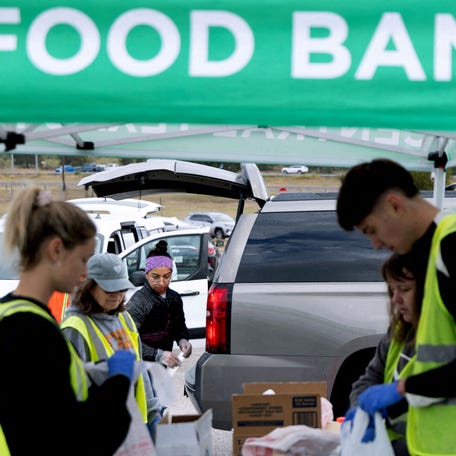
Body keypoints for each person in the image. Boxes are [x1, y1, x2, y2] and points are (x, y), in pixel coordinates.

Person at [0, 187, 135, 456]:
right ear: (56, 250)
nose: (86, 272)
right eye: (83, 259)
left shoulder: (11, 313)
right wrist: (118, 384)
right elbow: (74, 438)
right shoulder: (33, 331)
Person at [337, 158, 456, 456]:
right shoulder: (428, 257)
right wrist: (397, 403)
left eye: (371, 230)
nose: (375, 244)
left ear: (394, 205)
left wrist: (401, 389)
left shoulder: (450, 247)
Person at [61, 253, 162, 438]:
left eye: (122, 288)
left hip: (135, 428)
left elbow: (140, 371)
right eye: (109, 289)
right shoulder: (74, 329)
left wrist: (153, 413)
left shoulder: (124, 318)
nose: (117, 295)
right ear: (90, 287)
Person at [348, 253, 420, 455]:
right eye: (393, 290)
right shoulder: (398, 333)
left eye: (404, 290)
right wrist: (360, 411)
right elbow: (368, 380)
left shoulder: (443, 339)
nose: (396, 299)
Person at [128, 240, 192, 368]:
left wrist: (182, 340)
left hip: (162, 367)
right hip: (140, 366)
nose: (162, 282)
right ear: (147, 275)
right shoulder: (139, 302)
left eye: (167, 276)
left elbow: (178, 325)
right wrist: (158, 355)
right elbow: (129, 341)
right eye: (155, 277)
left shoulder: (174, 298)